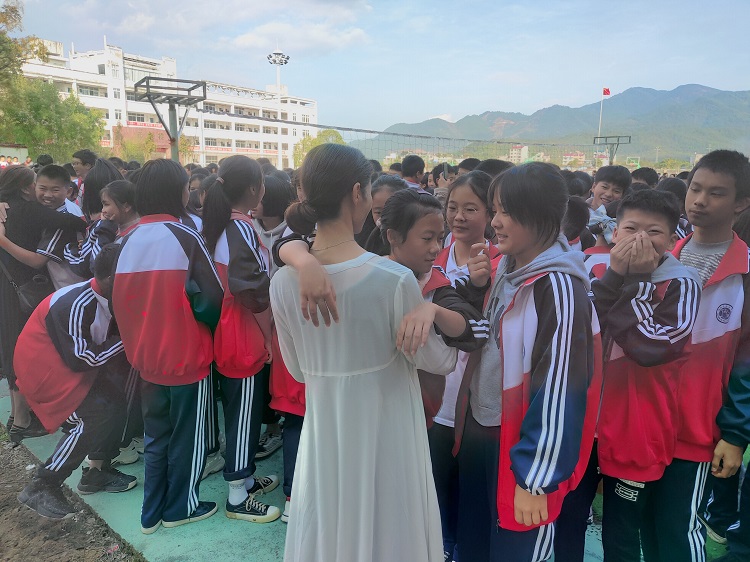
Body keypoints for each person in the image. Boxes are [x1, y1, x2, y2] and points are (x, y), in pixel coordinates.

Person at [271, 143, 456, 562]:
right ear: (357, 193)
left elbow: (298, 371)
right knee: (389, 531)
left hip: (325, 436)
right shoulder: (393, 280)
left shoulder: (284, 282)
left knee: (328, 529)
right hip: (387, 436)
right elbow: (438, 360)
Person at [453, 162, 601, 562]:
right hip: (484, 429)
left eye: (508, 212)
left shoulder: (560, 287)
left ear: (542, 216)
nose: (495, 222)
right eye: (495, 210)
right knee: (476, 545)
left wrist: (536, 477)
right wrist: (477, 291)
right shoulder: (509, 267)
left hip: (519, 447)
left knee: (515, 549)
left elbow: (561, 388)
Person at [588, 190, 702, 562]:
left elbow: (651, 347)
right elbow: (583, 331)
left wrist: (636, 281)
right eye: (631, 228)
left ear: (671, 240)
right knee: (568, 518)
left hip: (637, 427)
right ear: (614, 232)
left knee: (622, 532)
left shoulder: (682, 283)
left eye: (653, 232)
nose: (640, 239)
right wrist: (614, 278)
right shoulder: (595, 271)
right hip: (584, 425)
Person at [111, 159, 224, 534]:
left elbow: (115, 299)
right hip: (186, 355)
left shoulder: (125, 240)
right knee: (188, 436)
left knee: (156, 436)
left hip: (145, 358)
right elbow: (213, 298)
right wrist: (200, 325)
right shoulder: (185, 235)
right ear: (179, 193)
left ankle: (151, 512)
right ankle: (181, 508)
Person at [15, 244, 137, 519]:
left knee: (116, 403)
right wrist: (129, 340)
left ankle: (97, 472)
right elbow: (81, 359)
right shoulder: (76, 303)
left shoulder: (107, 296)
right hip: (45, 373)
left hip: (68, 367)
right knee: (92, 416)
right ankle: (43, 484)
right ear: (112, 278)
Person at [670, 149, 750, 561]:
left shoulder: (745, 273)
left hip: (700, 432)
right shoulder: (663, 258)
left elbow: (747, 364)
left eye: (716, 193)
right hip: (647, 427)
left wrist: (735, 435)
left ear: (741, 203)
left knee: (679, 534)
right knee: (639, 531)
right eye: (695, 189)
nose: (699, 200)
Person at [425, 172, 502, 561]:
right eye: (452, 207)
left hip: (476, 400)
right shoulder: (431, 259)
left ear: (490, 213)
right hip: (437, 392)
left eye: (470, 209)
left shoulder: (501, 263)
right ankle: (439, 545)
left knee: (471, 489)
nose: (458, 217)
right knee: (437, 481)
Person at [202, 155, 281, 523]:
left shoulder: (224, 225)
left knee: (240, 409)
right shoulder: (241, 229)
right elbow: (253, 291)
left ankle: (246, 479)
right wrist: (267, 336)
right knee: (245, 414)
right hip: (243, 332)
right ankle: (237, 494)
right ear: (254, 189)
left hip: (229, 329)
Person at [0, 166, 87, 443]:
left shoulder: (8, 208)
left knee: (13, 346)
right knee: (24, 349)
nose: (44, 193)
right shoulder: (28, 209)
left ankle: (19, 416)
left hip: (9, 286)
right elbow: (74, 223)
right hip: (25, 289)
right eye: (38, 186)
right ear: (26, 187)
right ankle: (23, 419)